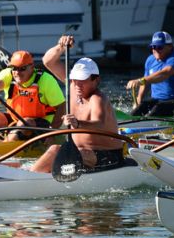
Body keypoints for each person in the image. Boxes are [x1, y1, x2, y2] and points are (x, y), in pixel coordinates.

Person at [31, 35, 124, 173]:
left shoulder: (97, 98)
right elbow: (48, 61)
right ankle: (30, 175)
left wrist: (77, 123)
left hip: (107, 155)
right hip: (79, 153)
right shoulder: (72, 87)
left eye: (83, 80)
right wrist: (61, 47)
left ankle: (28, 178)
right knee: (56, 151)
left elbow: (99, 123)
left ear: (96, 80)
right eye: (75, 80)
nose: (77, 85)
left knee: (56, 149)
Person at [0, 50, 65, 141]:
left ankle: (5, 145)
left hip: (42, 124)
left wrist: (51, 132)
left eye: (22, 68)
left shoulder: (46, 80)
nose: (17, 72)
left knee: (25, 123)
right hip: (16, 120)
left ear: (32, 67)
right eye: (14, 68)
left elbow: (62, 106)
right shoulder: (8, 74)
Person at [126, 31, 174, 116]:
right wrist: (138, 100)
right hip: (157, 100)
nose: (156, 50)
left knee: (157, 109)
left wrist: (140, 80)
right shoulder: (150, 60)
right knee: (137, 111)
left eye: (159, 47)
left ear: (170, 47)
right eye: (153, 47)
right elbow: (145, 84)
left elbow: (165, 73)